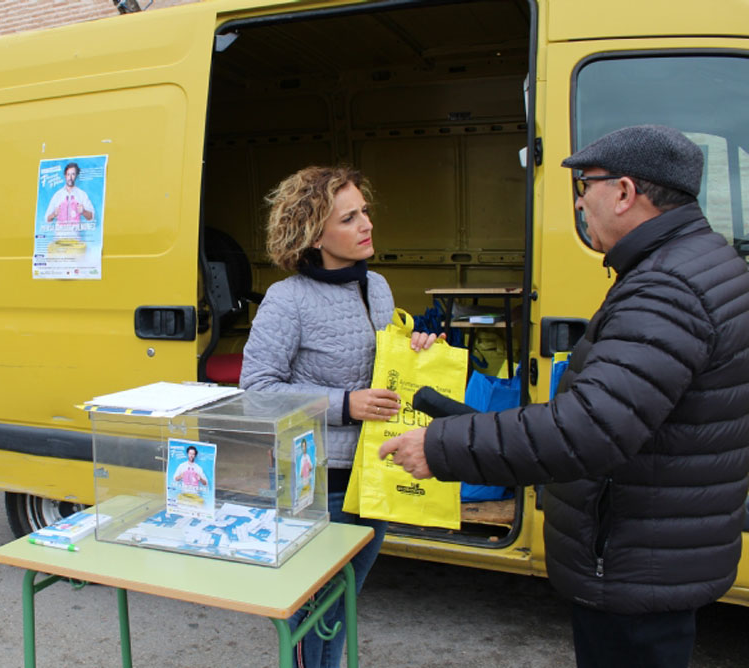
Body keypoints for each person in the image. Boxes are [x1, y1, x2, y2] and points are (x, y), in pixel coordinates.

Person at [379, 125, 749, 668]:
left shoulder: (667, 287)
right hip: (658, 550)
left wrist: (443, 447)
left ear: (624, 192)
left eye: (586, 186)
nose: (579, 201)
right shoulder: (701, 261)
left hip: (632, 560)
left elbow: (589, 429)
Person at [240, 165, 439, 668]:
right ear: (313, 233)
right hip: (317, 481)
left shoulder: (379, 288)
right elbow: (256, 392)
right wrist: (343, 404)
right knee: (319, 613)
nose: (366, 224)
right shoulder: (288, 301)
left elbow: (384, 367)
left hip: (374, 474)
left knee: (338, 603)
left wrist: (415, 349)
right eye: (349, 218)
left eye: (364, 212)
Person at [44, 162, 94, 235]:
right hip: (59, 240)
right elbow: (47, 219)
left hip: (75, 240)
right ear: (65, 176)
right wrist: (54, 214)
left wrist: (84, 211)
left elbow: (91, 217)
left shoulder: (82, 195)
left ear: (76, 176)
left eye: (73, 174)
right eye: (68, 174)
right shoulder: (57, 195)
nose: (70, 178)